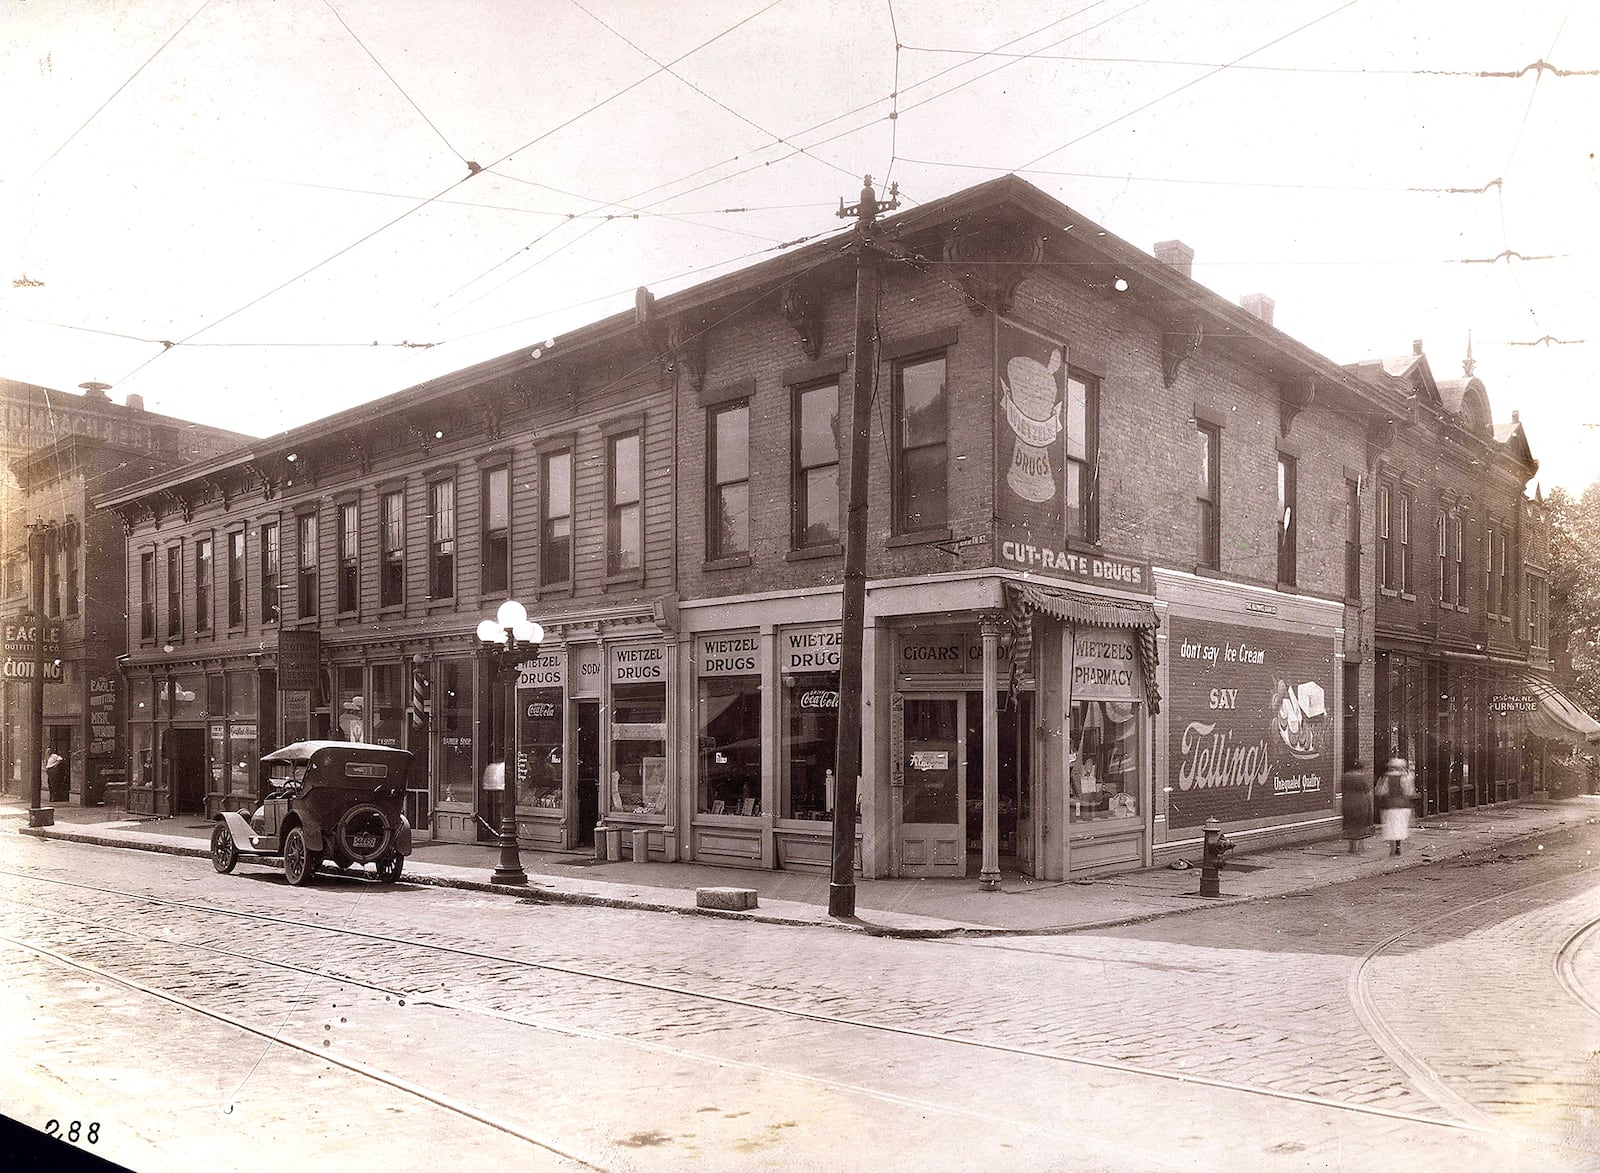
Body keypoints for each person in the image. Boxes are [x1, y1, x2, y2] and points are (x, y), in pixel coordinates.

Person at [1374, 757, 1416, 856]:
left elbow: (1380, 791)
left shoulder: (1386, 778)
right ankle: (1398, 846)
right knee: (1400, 826)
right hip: (1402, 805)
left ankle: (1392, 848)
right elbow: (1409, 791)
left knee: (1390, 827)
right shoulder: (1405, 777)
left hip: (1390, 805)